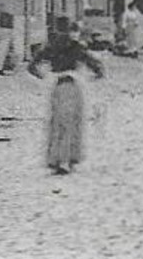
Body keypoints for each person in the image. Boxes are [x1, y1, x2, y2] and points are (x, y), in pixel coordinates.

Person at [28, 16, 104, 175]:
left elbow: (32, 66)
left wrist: (44, 75)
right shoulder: (76, 47)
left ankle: (56, 159)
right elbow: (96, 65)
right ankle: (67, 159)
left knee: (57, 123)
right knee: (71, 122)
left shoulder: (50, 47)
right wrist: (95, 75)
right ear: (70, 29)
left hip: (57, 87)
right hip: (72, 86)